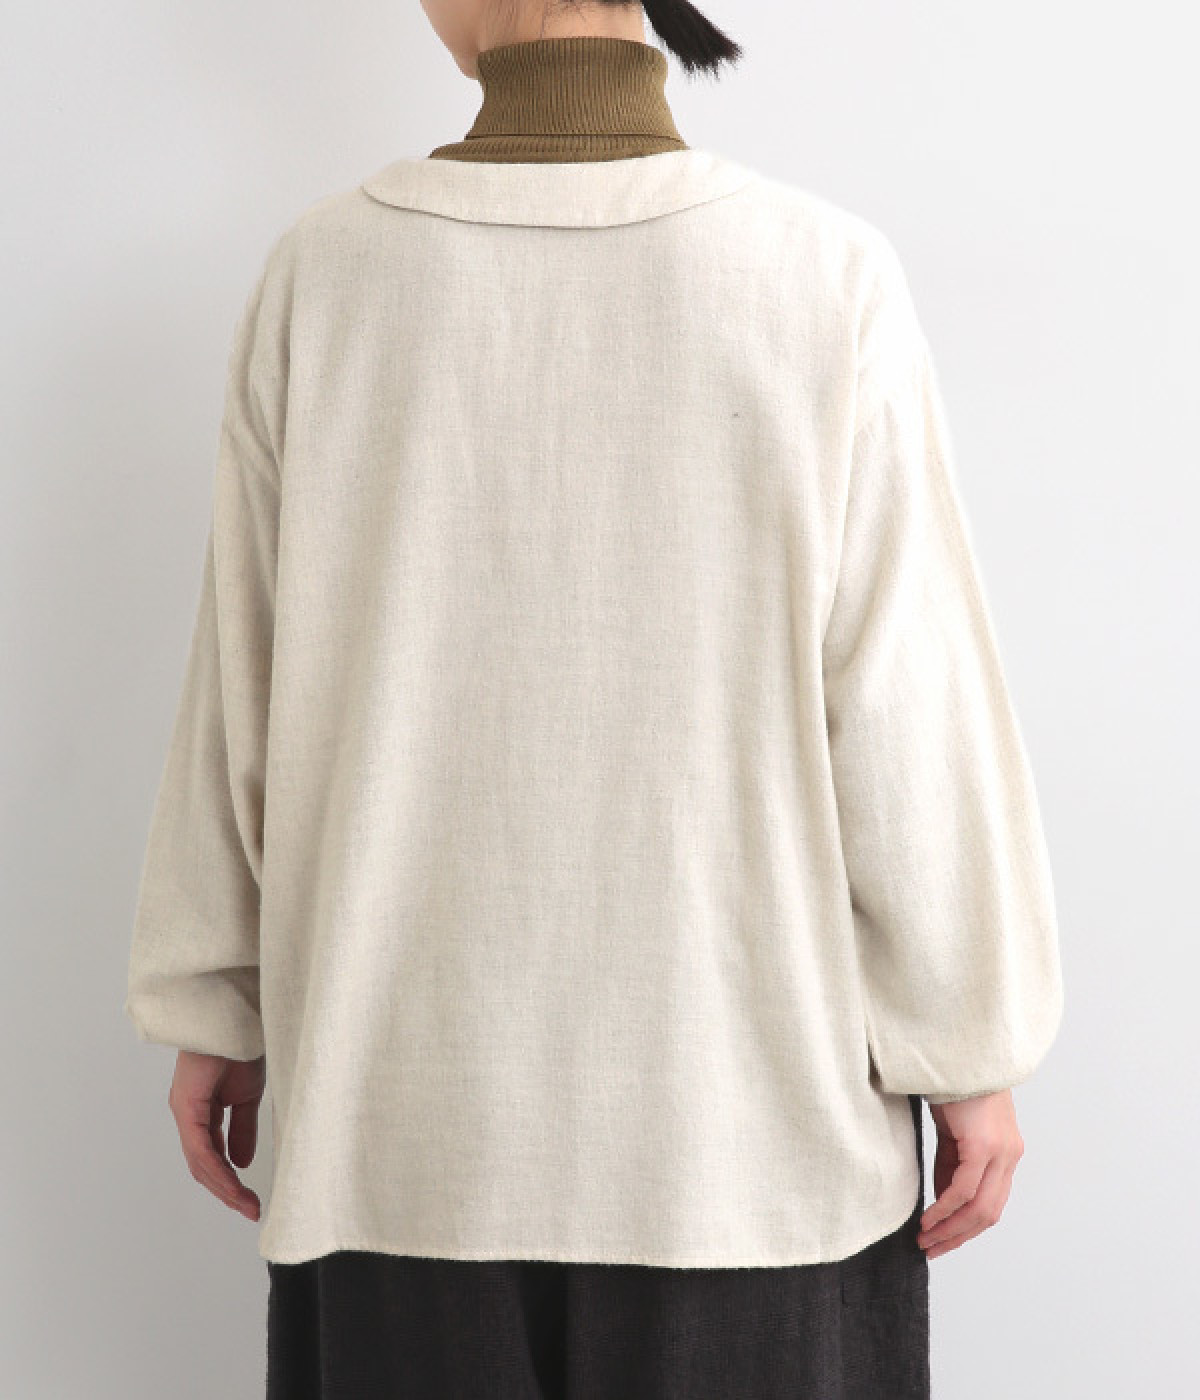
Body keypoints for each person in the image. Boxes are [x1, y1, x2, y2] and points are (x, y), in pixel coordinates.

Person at [123, 1, 1065, 1396]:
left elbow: (242, 689)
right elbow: (906, 710)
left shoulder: (328, 274)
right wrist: (969, 1044)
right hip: (747, 1146)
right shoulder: (819, 276)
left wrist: (217, 998)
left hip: (401, 1136)